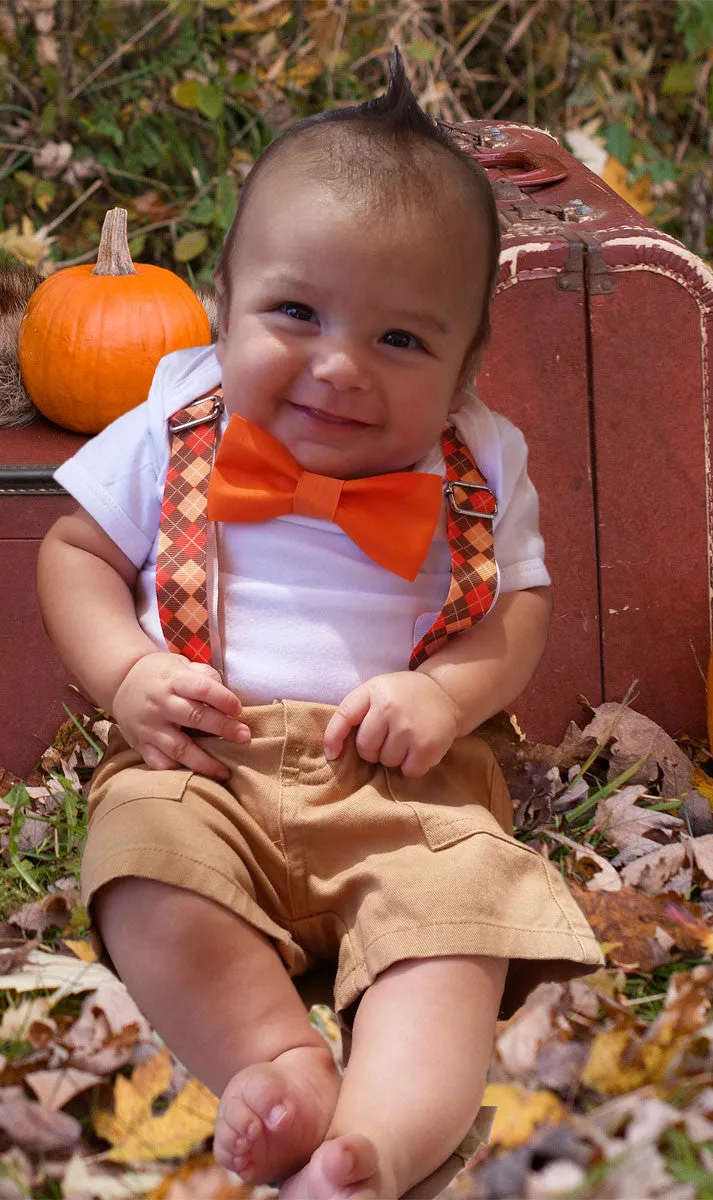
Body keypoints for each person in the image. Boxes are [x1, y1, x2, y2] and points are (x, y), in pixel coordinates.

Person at [37, 51, 602, 1200]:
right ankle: (275, 1060)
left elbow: (522, 607)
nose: (340, 367)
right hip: (201, 761)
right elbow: (73, 555)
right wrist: (128, 670)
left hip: (407, 787)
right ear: (224, 307)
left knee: (454, 926)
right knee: (142, 864)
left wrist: (445, 695)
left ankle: (375, 1146)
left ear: (463, 368)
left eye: (401, 341)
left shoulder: (482, 458)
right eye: (295, 312)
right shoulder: (172, 415)